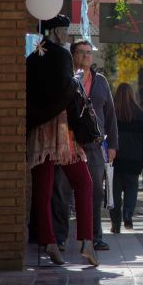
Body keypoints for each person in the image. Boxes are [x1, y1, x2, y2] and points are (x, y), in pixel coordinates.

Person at [26, 14, 98, 266]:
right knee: (84, 182)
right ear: (56, 32)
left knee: (43, 189)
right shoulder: (62, 55)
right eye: (64, 30)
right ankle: (87, 241)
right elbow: (66, 91)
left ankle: (48, 241)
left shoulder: (32, 57)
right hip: (62, 128)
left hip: (38, 131)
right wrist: (76, 82)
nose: (67, 35)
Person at [52, 39, 118, 251]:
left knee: (96, 192)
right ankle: (60, 237)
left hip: (94, 145)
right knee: (61, 191)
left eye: (89, 52)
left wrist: (113, 144)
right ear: (72, 55)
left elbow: (110, 115)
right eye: (81, 52)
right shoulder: (65, 78)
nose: (86, 56)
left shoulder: (101, 82)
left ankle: (95, 236)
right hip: (68, 143)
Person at [110, 83, 143, 232]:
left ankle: (115, 223)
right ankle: (128, 213)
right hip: (134, 159)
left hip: (115, 158)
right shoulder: (141, 115)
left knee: (114, 192)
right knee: (132, 189)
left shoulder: (112, 113)